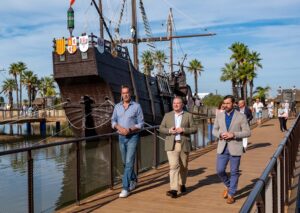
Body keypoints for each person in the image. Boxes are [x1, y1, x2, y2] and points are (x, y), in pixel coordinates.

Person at [213, 95, 251, 204]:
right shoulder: (219, 115)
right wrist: (220, 135)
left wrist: (233, 134)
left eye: (228, 103)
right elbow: (214, 130)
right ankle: (230, 186)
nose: (225, 105)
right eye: (224, 103)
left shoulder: (241, 116)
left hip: (235, 147)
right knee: (220, 170)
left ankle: (231, 194)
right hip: (222, 147)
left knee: (234, 172)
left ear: (233, 104)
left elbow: (247, 132)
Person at [159, 96, 197, 198]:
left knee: (183, 166)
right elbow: (161, 128)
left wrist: (183, 130)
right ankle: (174, 189)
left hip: (183, 143)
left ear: (182, 105)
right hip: (171, 144)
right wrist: (169, 130)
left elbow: (194, 129)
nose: (176, 105)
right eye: (174, 103)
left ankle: (182, 183)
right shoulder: (167, 115)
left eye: (178, 103)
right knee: (173, 166)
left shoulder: (188, 115)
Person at [111, 85, 144, 198]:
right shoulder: (117, 107)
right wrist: (119, 128)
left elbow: (141, 124)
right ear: (121, 94)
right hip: (121, 137)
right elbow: (113, 121)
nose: (125, 95)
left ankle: (125, 188)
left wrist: (129, 129)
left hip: (133, 137)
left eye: (127, 93)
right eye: (123, 93)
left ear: (130, 94)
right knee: (125, 162)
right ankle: (134, 179)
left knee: (129, 162)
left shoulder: (137, 106)